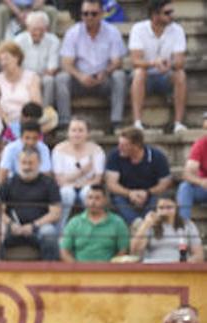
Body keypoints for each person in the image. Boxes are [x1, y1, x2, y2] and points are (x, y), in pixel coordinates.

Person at [56, 0, 127, 130]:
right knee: (61, 78)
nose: (89, 17)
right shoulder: (73, 32)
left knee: (119, 76)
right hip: (79, 81)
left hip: (103, 79)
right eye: (85, 14)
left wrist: (105, 72)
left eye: (93, 14)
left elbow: (117, 61)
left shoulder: (112, 32)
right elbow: (66, 63)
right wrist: (80, 76)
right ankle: (64, 122)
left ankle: (116, 122)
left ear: (101, 14)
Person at [128, 0, 187, 134]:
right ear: (155, 15)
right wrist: (154, 63)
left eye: (171, 12)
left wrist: (168, 64)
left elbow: (179, 61)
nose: (171, 15)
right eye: (167, 13)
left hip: (166, 75)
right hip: (146, 76)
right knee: (139, 73)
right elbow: (135, 60)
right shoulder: (138, 29)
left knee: (180, 74)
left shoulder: (177, 30)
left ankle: (178, 123)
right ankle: (137, 122)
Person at [0, 145, 61, 259]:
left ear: (39, 163)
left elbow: (55, 213)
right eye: (23, 162)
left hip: (39, 227)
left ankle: (50, 273)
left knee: (49, 232)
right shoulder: (8, 183)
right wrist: (11, 225)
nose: (26, 167)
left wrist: (33, 226)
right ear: (18, 162)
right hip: (13, 228)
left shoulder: (49, 183)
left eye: (30, 163)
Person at [104, 126, 172, 225]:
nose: (120, 147)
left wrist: (147, 192)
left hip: (150, 192)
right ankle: (138, 224)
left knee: (160, 198)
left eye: (124, 145)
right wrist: (130, 193)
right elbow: (111, 184)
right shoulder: (115, 155)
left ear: (136, 146)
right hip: (125, 193)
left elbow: (165, 183)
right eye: (120, 144)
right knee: (117, 198)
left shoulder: (157, 156)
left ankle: (145, 223)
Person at [52, 116, 103, 227]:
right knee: (66, 193)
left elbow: (97, 179)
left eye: (81, 130)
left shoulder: (96, 150)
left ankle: (90, 226)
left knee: (87, 193)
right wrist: (82, 171)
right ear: (68, 132)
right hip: (65, 187)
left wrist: (79, 183)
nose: (77, 134)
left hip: (88, 186)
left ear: (87, 133)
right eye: (73, 130)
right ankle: (60, 229)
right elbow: (59, 180)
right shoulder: (59, 149)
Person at [59, 183, 129, 262]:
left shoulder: (117, 223)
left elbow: (123, 251)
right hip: (79, 272)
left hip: (109, 272)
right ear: (85, 200)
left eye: (97, 198)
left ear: (105, 200)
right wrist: (78, 269)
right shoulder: (74, 222)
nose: (92, 202)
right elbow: (64, 252)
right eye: (90, 198)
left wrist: (110, 268)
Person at [131, 194, 204, 263]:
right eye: (161, 208)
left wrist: (182, 264)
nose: (165, 211)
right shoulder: (149, 224)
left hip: (180, 269)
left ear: (176, 207)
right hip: (153, 268)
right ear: (156, 208)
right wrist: (145, 225)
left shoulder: (188, 225)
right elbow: (134, 251)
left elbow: (199, 256)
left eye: (169, 207)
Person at [15, 11, 60, 108]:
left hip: (43, 76)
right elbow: (16, 65)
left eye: (41, 29)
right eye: (34, 29)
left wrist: (37, 78)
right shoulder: (19, 41)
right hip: (23, 76)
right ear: (28, 28)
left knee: (49, 81)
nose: (38, 33)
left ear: (46, 29)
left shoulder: (53, 40)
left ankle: (45, 112)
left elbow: (52, 67)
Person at [176, 110, 207, 224]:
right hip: (204, 189)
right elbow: (187, 174)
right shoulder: (201, 144)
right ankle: (183, 230)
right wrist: (201, 182)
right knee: (185, 187)